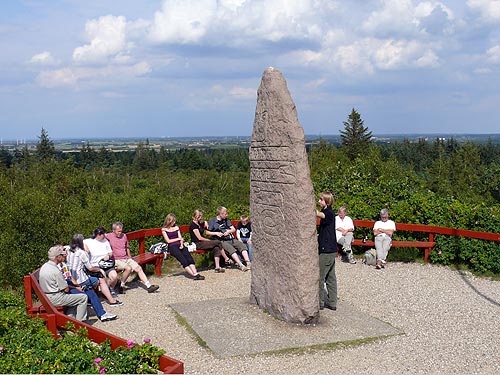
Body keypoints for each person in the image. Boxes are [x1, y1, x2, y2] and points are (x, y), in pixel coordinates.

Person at [61, 243, 117, 322]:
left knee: (90, 292)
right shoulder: (57, 267)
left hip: (71, 285)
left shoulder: (63, 264)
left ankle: (102, 314)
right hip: (63, 289)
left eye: (65, 250)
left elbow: (70, 277)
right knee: (85, 293)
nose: (66, 252)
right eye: (63, 251)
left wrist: (77, 285)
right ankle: (78, 320)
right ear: (58, 255)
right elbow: (63, 285)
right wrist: (77, 287)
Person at [66, 233, 123, 308]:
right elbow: (90, 268)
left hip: (70, 278)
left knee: (94, 278)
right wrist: (99, 269)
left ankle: (91, 296)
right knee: (101, 279)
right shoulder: (81, 253)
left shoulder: (68, 250)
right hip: (80, 279)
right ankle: (112, 301)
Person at [106, 221, 159, 293]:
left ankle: (148, 286)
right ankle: (121, 285)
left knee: (138, 268)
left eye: (121, 231)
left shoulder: (124, 236)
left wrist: (130, 257)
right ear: (113, 230)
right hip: (116, 259)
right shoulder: (109, 236)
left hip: (126, 257)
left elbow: (127, 247)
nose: (120, 233)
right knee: (128, 268)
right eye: (118, 231)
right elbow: (98, 237)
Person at [38, 245, 88, 321]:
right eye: (62, 255)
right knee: (83, 298)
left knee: (74, 299)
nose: (64, 256)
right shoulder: (56, 271)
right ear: (58, 257)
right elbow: (66, 290)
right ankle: (80, 323)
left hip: (46, 296)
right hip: (55, 298)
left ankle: (70, 320)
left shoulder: (44, 266)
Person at [206, 206, 251, 271]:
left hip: (230, 238)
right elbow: (207, 232)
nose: (227, 215)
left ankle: (248, 262)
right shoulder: (212, 221)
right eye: (225, 214)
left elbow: (233, 229)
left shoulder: (226, 220)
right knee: (231, 249)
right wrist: (216, 233)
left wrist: (228, 231)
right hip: (220, 240)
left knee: (241, 245)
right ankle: (241, 265)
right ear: (220, 214)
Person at [162, 213, 205, 280]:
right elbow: (168, 241)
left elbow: (180, 237)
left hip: (180, 244)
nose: (174, 222)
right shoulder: (164, 229)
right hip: (172, 246)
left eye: (174, 221)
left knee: (189, 258)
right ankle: (194, 275)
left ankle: (196, 273)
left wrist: (181, 244)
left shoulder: (176, 227)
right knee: (183, 260)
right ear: (169, 221)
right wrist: (179, 239)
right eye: (173, 221)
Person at [84, 227, 121, 296]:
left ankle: (110, 288)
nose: (105, 235)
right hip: (95, 264)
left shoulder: (105, 241)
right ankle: (106, 292)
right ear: (98, 235)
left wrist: (108, 256)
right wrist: (86, 249)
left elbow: (110, 252)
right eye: (103, 234)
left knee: (114, 276)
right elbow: (80, 242)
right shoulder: (88, 241)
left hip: (106, 263)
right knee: (103, 277)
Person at [316, 191, 337, 311]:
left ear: (327, 201)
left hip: (327, 250)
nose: (319, 201)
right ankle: (333, 302)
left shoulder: (329, 212)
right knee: (331, 277)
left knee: (320, 276)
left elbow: (323, 216)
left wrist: (310, 210)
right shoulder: (326, 211)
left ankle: (320, 302)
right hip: (330, 249)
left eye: (321, 199)